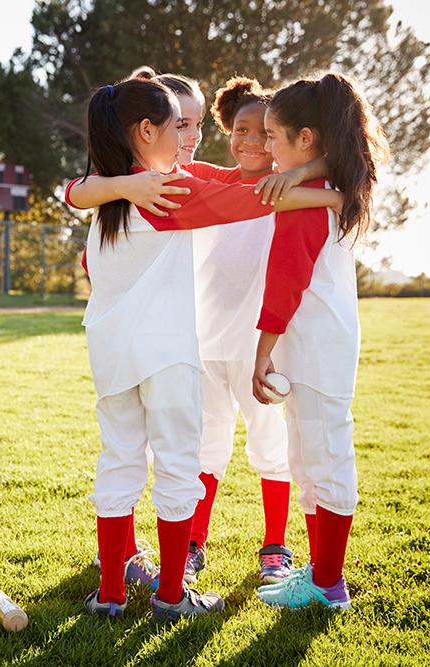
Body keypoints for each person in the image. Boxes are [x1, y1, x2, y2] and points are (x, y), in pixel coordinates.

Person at [76, 75, 343, 621]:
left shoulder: (110, 191)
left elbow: (77, 189)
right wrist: (337, 191)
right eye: (178, 126)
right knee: (177, 467)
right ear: (148, 130)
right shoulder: (166, 191)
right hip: (168, 356)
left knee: (118, 464)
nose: (186, 138)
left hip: (110, 356)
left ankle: (110, 594)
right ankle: (172, 597)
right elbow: (254, 199)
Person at [252, 72, 389, 610]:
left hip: (316, 349)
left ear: (306, 138)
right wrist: (308, 169)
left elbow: (286, 281)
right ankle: (319, 574)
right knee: (308, 460)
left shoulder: (310, 199)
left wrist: (261, 353)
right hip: (315, 347)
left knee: (326, 459)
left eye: (272, 136)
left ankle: (329, 585)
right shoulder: (325, 189)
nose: (265, 147)